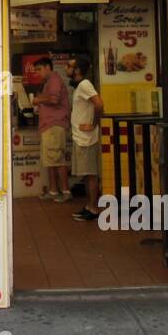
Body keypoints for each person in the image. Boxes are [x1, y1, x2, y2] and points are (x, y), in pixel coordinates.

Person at [67, 57, 105, 223]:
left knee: (90, 174)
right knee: (87, 174)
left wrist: (93, 124)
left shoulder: (84, 85)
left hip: (86, 139)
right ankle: (89, 206)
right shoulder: (80, 87)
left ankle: (93, 208)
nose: (66, 68)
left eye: (69, 66)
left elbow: (99, 104)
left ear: (76, 70)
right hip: (81, 137)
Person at [30, 57, 71, 202]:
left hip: (54, 125)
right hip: (48, 125)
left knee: (57, 159)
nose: (38, 73)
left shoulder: (54, 80)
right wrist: (40, 106)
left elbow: (54, 100)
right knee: (50, 160)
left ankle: (65, 191)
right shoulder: (49, 82)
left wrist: (37, 100)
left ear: (48, 67)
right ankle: (53, 190)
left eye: (39, 69)